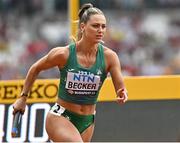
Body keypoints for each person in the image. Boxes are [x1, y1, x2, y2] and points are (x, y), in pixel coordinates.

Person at [12, 3, 128, 142]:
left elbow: (120, 87)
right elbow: (35, 68)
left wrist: (122, 93)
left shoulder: (110, 57)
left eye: (103, 26)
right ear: (83, 26)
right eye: (95, 26)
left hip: (87, 121)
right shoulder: (63, 54)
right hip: (60, 117)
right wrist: (23, 98)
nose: (100, 30)